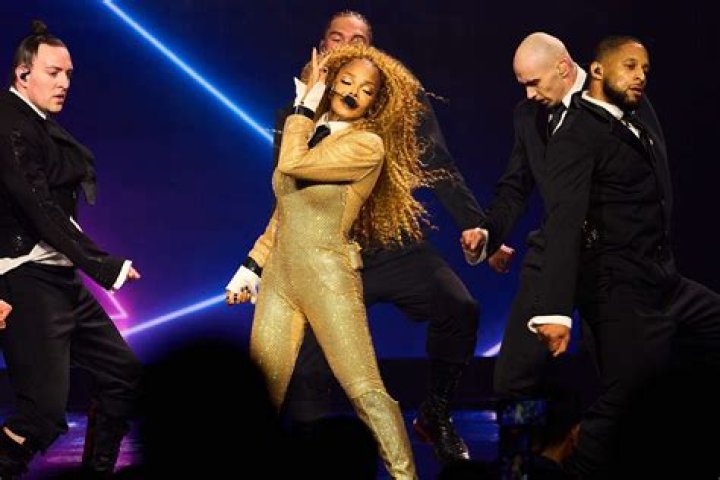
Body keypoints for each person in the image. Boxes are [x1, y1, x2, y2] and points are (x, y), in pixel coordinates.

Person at [228, 10, 513, 465]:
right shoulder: (295, 115)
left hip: (389, 246)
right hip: (318, 259)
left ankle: (436, 414)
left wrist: (481, 229)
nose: (346, 47)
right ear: (322, 48)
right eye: (336, 38)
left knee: (458, 307)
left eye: (358, 40)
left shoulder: (394, 114)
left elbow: (440, 168)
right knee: (304, 376)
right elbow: (288, 198)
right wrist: (256, 264)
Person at [227, 42, 430, 479]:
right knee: (259, 392)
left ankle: (404, 476)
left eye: (367, 90)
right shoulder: (308, 130)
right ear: (331, 82)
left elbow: (293, 163)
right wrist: (251, 267)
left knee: (364, 389)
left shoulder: (366, 146)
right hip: (279, 279)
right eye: (347, 81)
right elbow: (283, 212)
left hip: (328, 277)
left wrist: (303, 106)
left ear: (376, 103)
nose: (354, 92)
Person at [530, 35, 720, 477]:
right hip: (618, 287)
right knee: (625, 396)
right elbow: (562, 222)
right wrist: (555, 310)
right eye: (630, 66)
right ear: (596, 71)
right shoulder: (575, 133)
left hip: (663, 279)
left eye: (645, 69)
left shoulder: (635, 115)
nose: (640, 77)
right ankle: (567, 465)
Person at [0, 21, 142, 478]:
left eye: (69, 74)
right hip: (23, 278)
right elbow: (38, 207)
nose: (64, 83)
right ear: (23, 74)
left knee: (123, 375)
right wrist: (105, 265)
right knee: (42, 414)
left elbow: (53, 209)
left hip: (58, 275)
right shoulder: (7, 123)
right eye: (53, 72)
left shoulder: (37, 124)